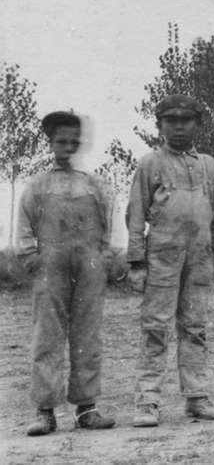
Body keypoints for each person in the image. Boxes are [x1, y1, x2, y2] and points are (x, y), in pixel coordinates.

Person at [127, 94, 214, 426]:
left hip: (200, 256)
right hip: (161, 254)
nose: (178, 127)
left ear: (197, 125)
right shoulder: (150, 164)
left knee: (195, 327)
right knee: (155, 328)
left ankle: (197, 397)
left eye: (185, 121)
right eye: (170, 121)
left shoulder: (208, 164)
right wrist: (136, 263)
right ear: (159, 125)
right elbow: (135, 216)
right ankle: (147, 402)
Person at [17, 111, 117, 436]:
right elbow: (24, 226)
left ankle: (86, 408)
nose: (68, 147)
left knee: (87, 336)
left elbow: (108, 225)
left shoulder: (93, 183)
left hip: (88, 266)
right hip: (51, 265)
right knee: (47, 335)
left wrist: (104, 256)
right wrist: (30, 254)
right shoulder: (38, 184)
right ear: (50, 143)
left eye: (74, 141)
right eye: (61, 141)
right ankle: (45, 411)